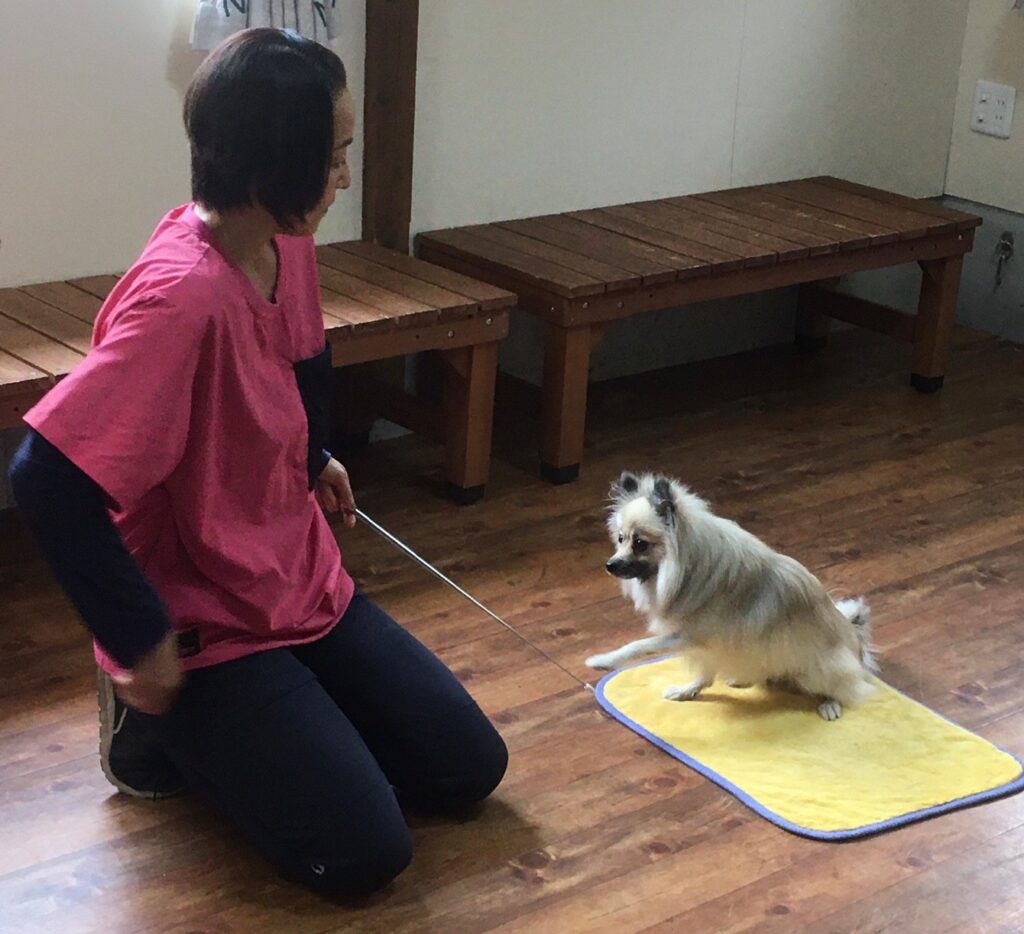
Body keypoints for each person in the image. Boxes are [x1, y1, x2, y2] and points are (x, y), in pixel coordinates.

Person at [8, 28, 507, 899]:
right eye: (334, 155)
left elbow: (300, 358)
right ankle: (151, 729)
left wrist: (313, 455)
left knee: (467, 769)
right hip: (202, 618)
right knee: (363, 855)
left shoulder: (286, 242)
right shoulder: (181, 301)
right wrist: (138, 640)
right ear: (274, 163)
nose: (344, 176)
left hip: (294, 577)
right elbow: (46, 476)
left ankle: (288, 721)